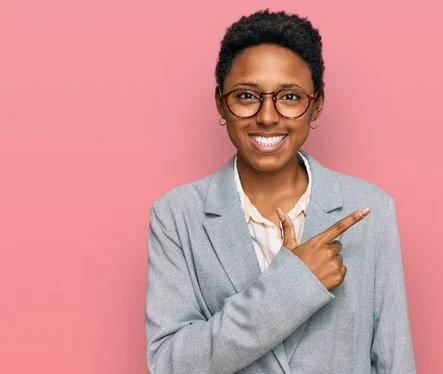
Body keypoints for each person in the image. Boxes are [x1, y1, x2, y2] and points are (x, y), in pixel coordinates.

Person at [145, 9, 416, 374]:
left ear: (316, 104)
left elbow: (394, 361)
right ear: (221, 103)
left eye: (289, 97)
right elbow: (170, 363)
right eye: (246, 95)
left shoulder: (372, 210)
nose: (268, 117)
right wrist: (293, 283)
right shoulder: (176, 215)